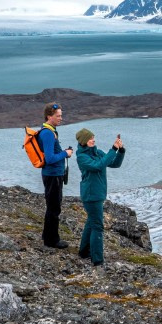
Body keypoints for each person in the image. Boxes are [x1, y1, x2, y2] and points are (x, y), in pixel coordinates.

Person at [75, 128, 125, 269]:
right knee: (97, 226)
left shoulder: (97, 153)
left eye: (93, 137)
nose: (93, 140)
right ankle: (97, 260)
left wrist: (120, 151)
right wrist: (112, 149)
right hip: (91, 195)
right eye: (90, 138)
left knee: (91, 222)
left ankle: (84, 252)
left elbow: (114, 163)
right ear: (84, 141)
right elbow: (98, 166)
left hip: (97, 193)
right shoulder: (82, 157)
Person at [39, 103, 74, 249]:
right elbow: (50, 158)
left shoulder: (50, 130)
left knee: (53, 206)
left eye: (61, 115)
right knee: (54, 207)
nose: (61, 118)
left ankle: (48, 235)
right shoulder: (47, 133)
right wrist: (66, 153)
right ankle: (52, 240)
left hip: (54, 174)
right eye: (58, 115)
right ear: (49, 116)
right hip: (53, 175)